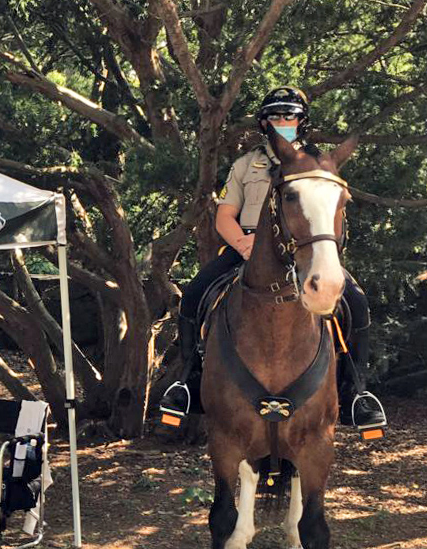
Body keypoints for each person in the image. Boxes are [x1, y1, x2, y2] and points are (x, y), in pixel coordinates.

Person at [159, 86, 387, 430]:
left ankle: (356, 393)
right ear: (263, 124)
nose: (283, 122)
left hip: (305, 251)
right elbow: (224, 216)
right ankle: (188, 382)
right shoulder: (245, 165)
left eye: (290, 116)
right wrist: (244, 244)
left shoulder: (318, 164)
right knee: (193, 295)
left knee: (356, 301)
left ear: (302, 123)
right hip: (246, 251)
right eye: (275, 117)